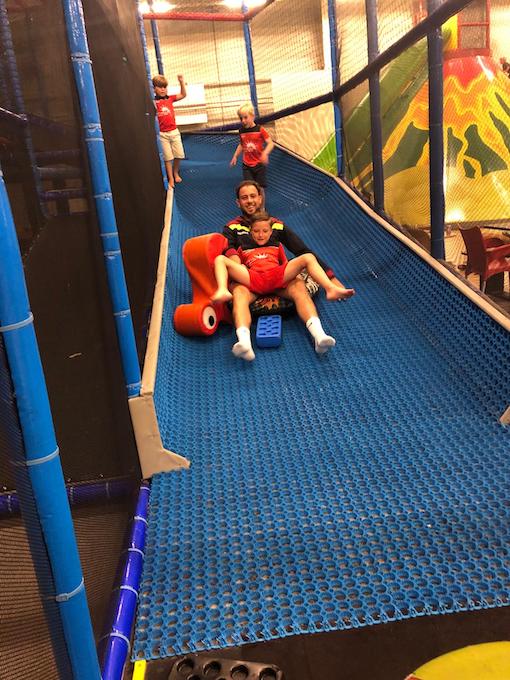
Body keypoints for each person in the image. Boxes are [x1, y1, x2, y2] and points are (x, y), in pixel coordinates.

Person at [215, 209, 355, 361]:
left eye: (265, 231)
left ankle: (320, 334)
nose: (260, 235)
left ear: (271, 232)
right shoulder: (242, 249)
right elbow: (238, 266)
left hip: (276, 277)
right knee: (221, 262)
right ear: (250, 232)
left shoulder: (277, 246)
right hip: (254, 279)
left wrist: (297, 277)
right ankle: (244, 343)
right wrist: (235, 279)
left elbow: (286, 264)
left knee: (307, 258)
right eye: (256, 231)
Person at [230, 103, 274, 202]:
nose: (243, 121)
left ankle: (261, 207)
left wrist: (265, 153)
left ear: (253, 116)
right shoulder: (242, 131)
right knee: (249, 188)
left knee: (260, 188)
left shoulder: (260, 130)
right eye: (241, 118)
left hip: (259, 164)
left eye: (245, 117)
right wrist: (235, 156)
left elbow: (270, 143)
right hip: (247, 165)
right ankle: (253, 206)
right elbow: (241, 144)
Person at [153, 74, 187, 188]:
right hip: (163, 134)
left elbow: (183, 95)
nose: (163, 89)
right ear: (154, 89)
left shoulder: (170, 99)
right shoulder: (154, 102)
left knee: (179, 155)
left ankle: (175, 172)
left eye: (164, 87)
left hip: (174, 132)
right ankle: (171, 178)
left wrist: (181, 82)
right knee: (168, 157)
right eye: (160, 87)